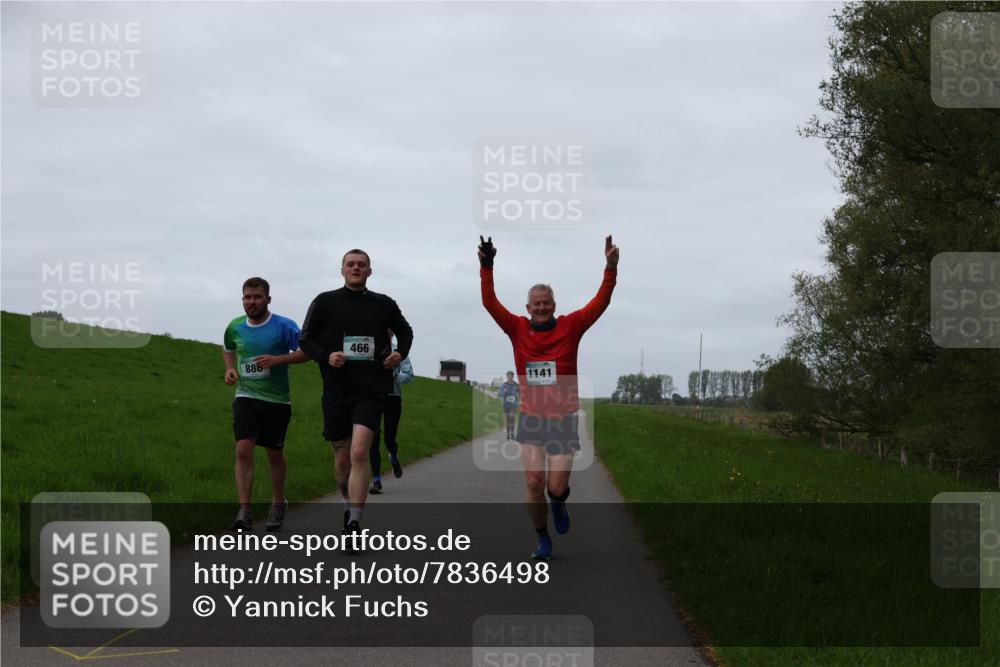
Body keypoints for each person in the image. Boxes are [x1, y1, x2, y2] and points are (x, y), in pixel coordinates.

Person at [479, 235, 618, 560]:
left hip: (562, 420)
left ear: (554, 306)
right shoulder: (516, 328)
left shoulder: (572, 326)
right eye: (536, 303)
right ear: (528, 308)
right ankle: (543, 539)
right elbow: (489, 303)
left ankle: (559, 502)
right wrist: (487, 266)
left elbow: (601, 301)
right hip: (531, 419)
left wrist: (610, 268)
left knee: (555, 488)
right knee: (533, 483)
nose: (541, 307)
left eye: (547, 302)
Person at [298, 249, 413, 546]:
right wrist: (327, 356)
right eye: (351, 264)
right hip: (337, 390)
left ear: (369, 271)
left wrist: (399, 353)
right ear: (342, 270)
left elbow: (406, 332)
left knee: (360, 452)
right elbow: (305, 339)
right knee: (342, 460)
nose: (356, 268)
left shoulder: (383, 304)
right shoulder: (324, 301)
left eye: (361, 265)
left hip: (372, 388)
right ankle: (347, 507)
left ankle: (354, 524)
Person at [223, 277, 309, 531]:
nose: (252, 302)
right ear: (242, 300)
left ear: (268, 299)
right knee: (243, 450)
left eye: (257, 297)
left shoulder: (284, 326)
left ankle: (277, 502)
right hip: (246, 395)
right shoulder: (235, 326)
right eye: (248, 297)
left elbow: (308, 352)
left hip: (277, 400)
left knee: (274, 454)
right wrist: (230, 369)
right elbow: (228, 347)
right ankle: (245, 510)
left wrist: (278, 360)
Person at [369, 330, 414, 494]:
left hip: (393, 397)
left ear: (393, 333)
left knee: (389, 437)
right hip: (373, 397)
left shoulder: (399, 351)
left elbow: (409, 376)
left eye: (389, 329)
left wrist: (394, 375)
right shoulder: (370, 348)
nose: (386, 332)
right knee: (373, 439)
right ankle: (376, 480)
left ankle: (393, 456)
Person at [498, 371, 520, 441]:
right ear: (507, 376)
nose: (510, 376)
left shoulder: (516, 385)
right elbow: (500, 394)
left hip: (514, 404)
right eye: (509, 375)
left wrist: (519, 396)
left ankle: (512, 434)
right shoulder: (504, 385)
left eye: (511, 375)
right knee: (508, 419)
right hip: (506, 404)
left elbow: (521, 393)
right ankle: (508, 434)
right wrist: (504, 392)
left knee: (512, 417)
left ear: (513, 376)